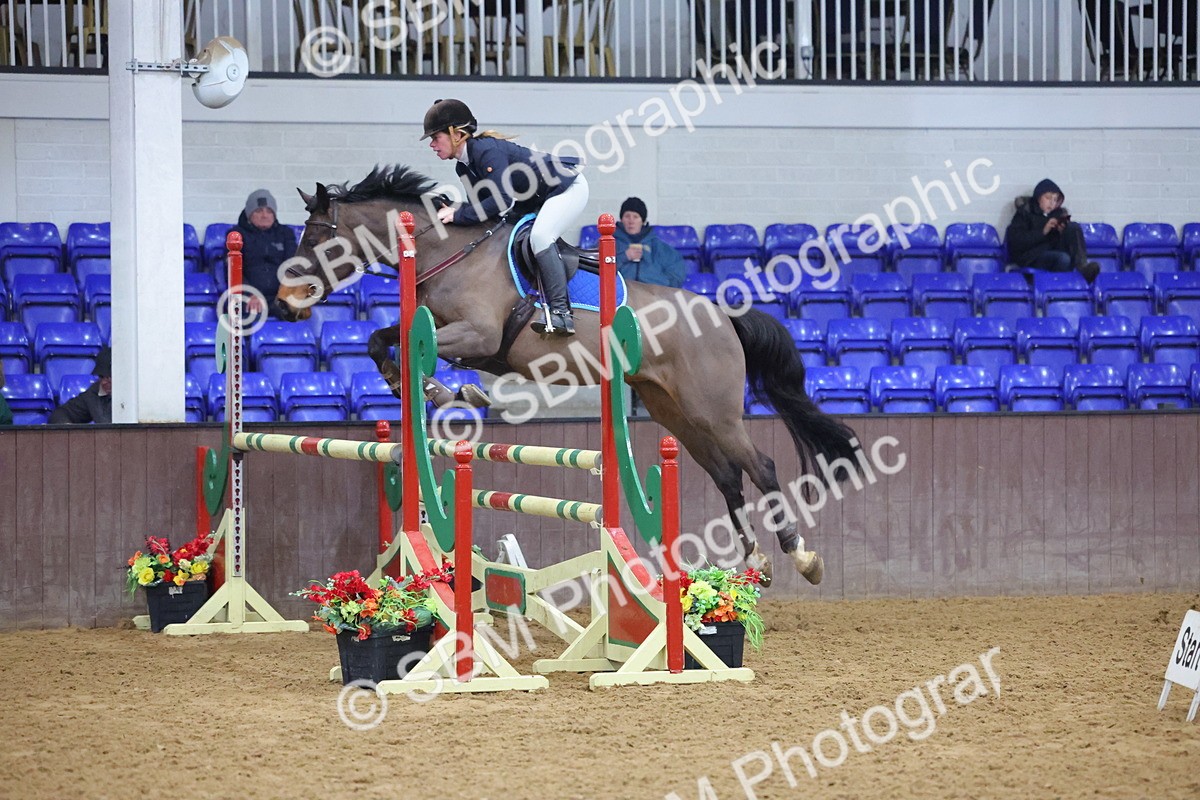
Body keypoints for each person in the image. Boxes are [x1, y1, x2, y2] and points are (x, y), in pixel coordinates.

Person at [422, 98, 587, 336]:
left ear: (456, 134)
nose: (432, 145)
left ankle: (562, 314)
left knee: (540, 237)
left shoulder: (486, 150)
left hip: (566, 188)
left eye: (435, 138)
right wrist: (450, 209)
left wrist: (457, 214)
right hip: (535, 199)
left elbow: (501, 201)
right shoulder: (463, 167)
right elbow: (483, 209)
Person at [1005, 178, 1100, 283]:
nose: (1051, 203)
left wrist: (1061, 232)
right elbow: (1016, 242)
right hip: (1032, 257)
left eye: (1055, 199)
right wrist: (1043, 232)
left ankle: (1082, 267)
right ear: (1038, 197)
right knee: (1063, 258)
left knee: (1073, 227)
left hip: (1053, 250)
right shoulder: (1025, 213)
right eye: (1048, 198)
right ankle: (1060, 288)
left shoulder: (1058, 214)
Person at [236, 189, 296, 317]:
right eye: (258, 211)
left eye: (269, 211)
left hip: (279, 295)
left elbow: (292, 267)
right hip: (248, 296)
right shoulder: (236, 235)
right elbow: (233, 271)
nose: (264, 215)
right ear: (249, 214)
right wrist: (249, 294)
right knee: (245, 312)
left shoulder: (286, 234)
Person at [614, 197, 687, 288]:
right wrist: (624, 257)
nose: (631, 221)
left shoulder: (659, 247)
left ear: (643, 221)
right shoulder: (608, 243)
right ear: (621, 219)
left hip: (653, 298)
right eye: (627, 216)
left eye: (636, 217)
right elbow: (596, 271)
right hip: (619, 297)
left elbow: (676, 277)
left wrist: (653, 286)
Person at [49, 347, 112, 424]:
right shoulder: (94, 393)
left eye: (109, 377)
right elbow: (61, 413)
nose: (104, 382)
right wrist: (68, 428)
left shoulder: (130, 395)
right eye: (101, 377)